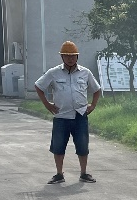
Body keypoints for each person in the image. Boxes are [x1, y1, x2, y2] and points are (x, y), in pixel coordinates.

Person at [35, 40, 102, 184]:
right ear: (62, 57)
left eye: (73, 56)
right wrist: (47, 104)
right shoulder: (53, 73)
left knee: (82, 146)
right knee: (58, 147)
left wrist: (93, 105)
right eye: (67, 56)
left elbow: (96, 90)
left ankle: (84, 173)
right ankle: (59, 174)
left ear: (77, 57)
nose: (70, 58)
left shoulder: (85, 73)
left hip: (80, 115)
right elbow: (39, 86)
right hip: (61, 116)